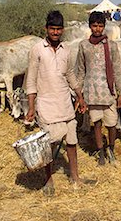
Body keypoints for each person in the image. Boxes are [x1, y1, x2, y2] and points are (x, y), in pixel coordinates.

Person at [25, 10, 94, 196]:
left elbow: (70, 74)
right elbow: (30, 81)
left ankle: (75, 176)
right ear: (46, 29)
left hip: (65, 102)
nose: (55, 32)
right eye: (52, 29)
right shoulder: (37, 50)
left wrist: (79, 95)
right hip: (46, 104)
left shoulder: (66, 49)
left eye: (58, 29)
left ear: (62, 30)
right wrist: (31, 107)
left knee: (71, 142)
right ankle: (48, 181)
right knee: (50, 144)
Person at [76, 11, 121, 166]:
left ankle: (111, 149)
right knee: (96, 124)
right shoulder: (84, 46)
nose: (97, 29)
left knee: (111, 125)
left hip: (108, 92)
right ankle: (101, 153)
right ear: (90, 26)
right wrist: (80, 95)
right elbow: (80, 71)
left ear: (104, 27)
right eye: (94, 26)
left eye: (100, 26)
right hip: (92, 92)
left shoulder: (111, 46)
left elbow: (117, 69)